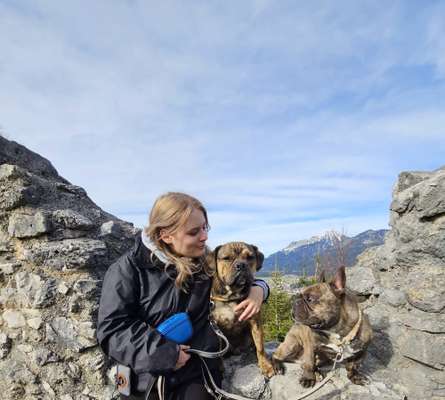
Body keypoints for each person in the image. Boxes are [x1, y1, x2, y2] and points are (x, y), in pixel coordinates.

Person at [97, 192, 270, 400]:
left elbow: (235, 279)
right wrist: (166, 354)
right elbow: (112, 331)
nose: (204, 237)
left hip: (194, 371)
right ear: (166, 235)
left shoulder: (205, 264)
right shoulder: (127, 270)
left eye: (205, 228)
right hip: (140, 376)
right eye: (194, 231)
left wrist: (259, 289)